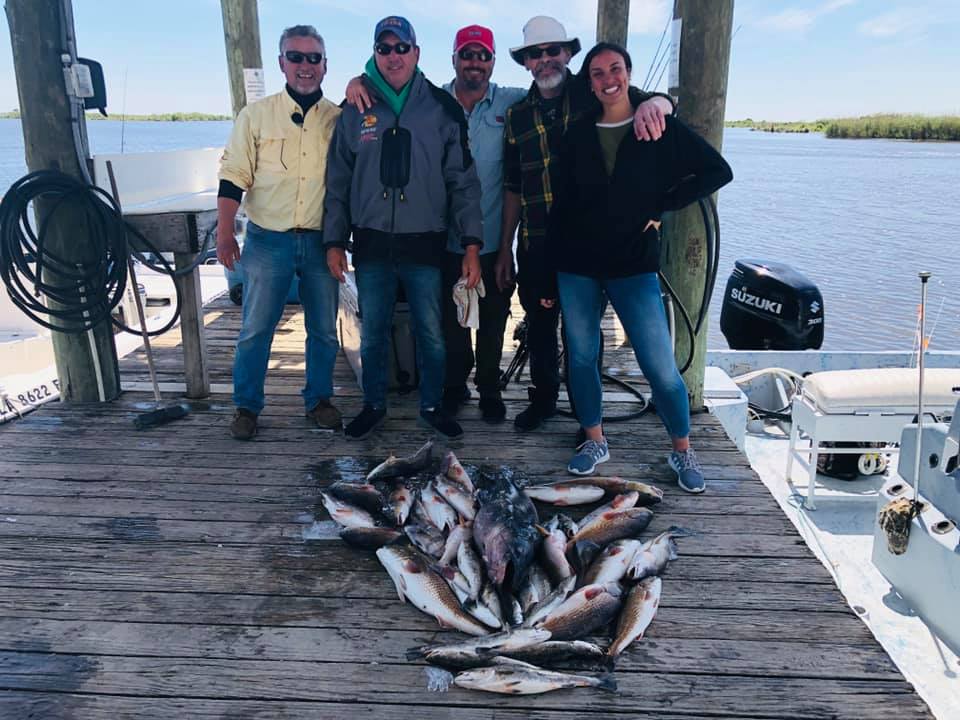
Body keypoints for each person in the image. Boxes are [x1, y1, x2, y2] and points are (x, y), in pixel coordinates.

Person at [539, 42, 733, 492]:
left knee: (659, 365)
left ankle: (683, 448)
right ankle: (594, 440)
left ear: (628, 72)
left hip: (633, 265)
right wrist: (546, 270)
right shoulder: (577, 134)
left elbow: (716, 171)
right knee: (582, 357)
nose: (608, 78)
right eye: (597, 72)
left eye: (616, 68)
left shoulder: (658, 124)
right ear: (588, 82)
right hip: (577, 264)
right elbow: (561, 206)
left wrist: (662, 205)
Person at [496, 15, 674, 433]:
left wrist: (659, 103)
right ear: (526, 62)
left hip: (590, 246)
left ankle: (586, 416)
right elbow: (511, 187)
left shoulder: (596, 93)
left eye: (552, 51)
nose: (545, 60)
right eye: (535, 54)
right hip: (538, 243)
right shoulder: (518, 115)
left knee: (584, 337)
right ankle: (541, 401)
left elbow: (658, 102)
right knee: (539, 329)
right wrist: (504, 245)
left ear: (568, 54)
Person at [324, 16, 483, 441]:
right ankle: (373, 404)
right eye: (384, 48)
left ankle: (431, 405)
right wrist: (334, 241)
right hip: (372, 244)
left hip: (425, 245)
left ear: (416, 53)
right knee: (372, 331)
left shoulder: (442, 108)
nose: (393, 56)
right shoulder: (354, 108)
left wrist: (471, 244)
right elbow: (338, 179)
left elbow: (463, 182)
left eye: (401, 47)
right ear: (374, 53)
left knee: (431, 332)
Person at [217, 25, 342, 441]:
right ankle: (246, 406)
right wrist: (224, 231)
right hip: (267, 238)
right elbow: (233, 176)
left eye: (313, 58)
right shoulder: (255, 116)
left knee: (323, 328)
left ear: (325, 65)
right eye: (296, 57)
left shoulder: (340, 119)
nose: (305, 66)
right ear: (281, 63)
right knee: (256, 328)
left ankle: (319, 400)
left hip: (323, 240)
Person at [437, 26, 527, 422]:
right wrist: (358, 80)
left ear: (493, 62)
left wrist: (652, 102)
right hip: (443, 241)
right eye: (467, 54)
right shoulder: (433, 102)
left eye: (483, 55)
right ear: (454, 58)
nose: (475, 63)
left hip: (493, 240)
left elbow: (566, 95)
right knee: (451, 324)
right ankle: (455, 387)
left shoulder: (513, 102)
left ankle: (489, 388)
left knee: (493, 322)